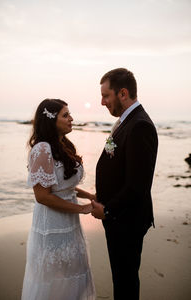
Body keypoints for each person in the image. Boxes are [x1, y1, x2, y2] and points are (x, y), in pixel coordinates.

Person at [91, 68, 158, 300]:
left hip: (126, 219)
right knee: (121, 278)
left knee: (126, 281)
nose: (102, 102)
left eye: (106, 95)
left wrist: (108, 210)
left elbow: (138, 185)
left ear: (122, 93)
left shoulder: (140, 126)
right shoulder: (124, 121)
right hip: (118, 217)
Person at [21, 99, 96, 300]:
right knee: (54, 281)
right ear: (51, 120)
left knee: (73, 277)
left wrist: (89, 196)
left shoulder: (62, 145)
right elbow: (43, 196)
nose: (71, 118)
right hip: (52, 226)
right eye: (65, 115)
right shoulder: (42, 149)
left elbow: (63, 186)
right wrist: (82, 209)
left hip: (70, 223)